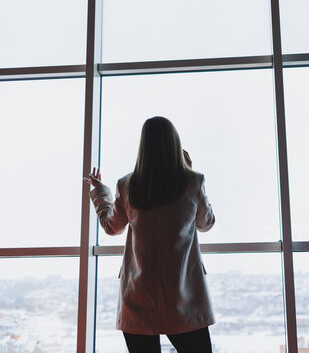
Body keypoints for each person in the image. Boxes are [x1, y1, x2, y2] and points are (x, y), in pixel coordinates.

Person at [83, 116, 216, 353]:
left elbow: (111, 227)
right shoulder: (193, 181)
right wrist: (189, 171)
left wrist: (100, 192)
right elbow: (205, 223)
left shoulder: (127, 185)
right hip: (184, 296)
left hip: (138, 295)